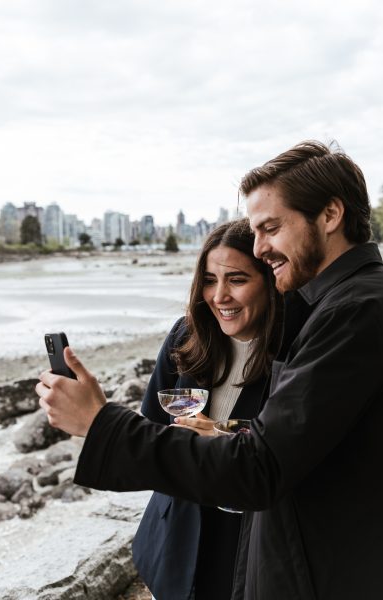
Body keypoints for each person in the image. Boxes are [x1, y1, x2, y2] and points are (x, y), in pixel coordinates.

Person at [37, 140, 383, 599]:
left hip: (349, 572)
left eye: (271, 228)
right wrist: (224, 434)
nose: (260, 247)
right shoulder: (337, 304)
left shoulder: (356, 310)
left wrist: (100, 424)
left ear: (331, 215)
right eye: (255, 231)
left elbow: (262, 468)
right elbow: (292, 441)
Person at [133, 219, 281, 600]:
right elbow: (151, 425)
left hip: (243, 545)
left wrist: (219, 437)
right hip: (173, 537)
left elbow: (284, 458)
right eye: (210, 280)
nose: (219, 296)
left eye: (236, 279)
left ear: (270, 280)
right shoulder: (185, 335)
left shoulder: (291, 356)